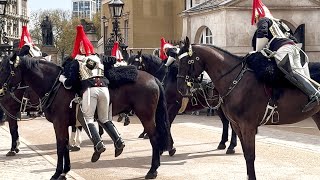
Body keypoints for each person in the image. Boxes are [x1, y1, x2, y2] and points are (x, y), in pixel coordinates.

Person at [59, 25, 125, 162]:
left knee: (88, 118)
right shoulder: (99, 58)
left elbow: (71, 82)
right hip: (104, 89)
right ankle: (118, 141)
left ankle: (98, 144)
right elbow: (113, 60)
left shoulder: (77, 61)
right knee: (104, 118)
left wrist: (62, 79)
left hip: (90, 89)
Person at [251, 0, 320, 112]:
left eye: (255, 20)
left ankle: (315, 94)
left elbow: (261, 32)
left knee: (291, 73)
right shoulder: (281, 24)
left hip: (282, 49)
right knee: (301, 75)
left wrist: (257, 51)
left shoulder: (263, 20)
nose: (255, 23)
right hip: (295, 49)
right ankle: (312, 93)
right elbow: (293, 39)